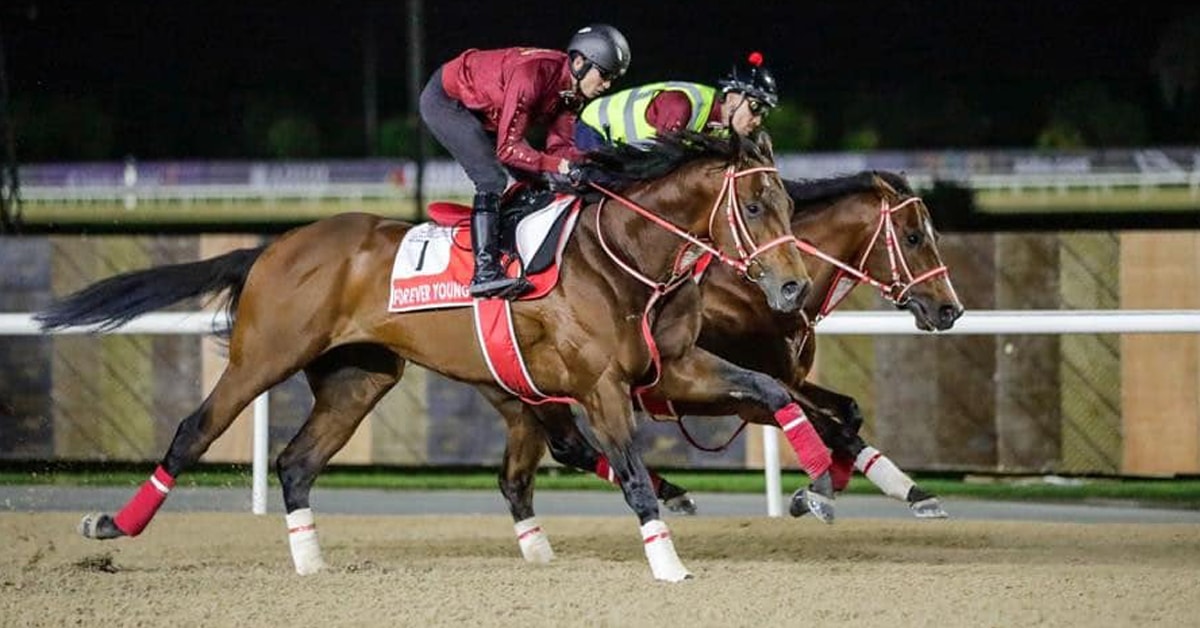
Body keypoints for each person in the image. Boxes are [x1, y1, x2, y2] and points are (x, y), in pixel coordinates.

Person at [419, 24, 631, 299]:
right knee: (491, 178)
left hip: (487, 109)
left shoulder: (572, 94)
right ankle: (484, 272)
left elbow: (560, 150)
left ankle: (514, 248)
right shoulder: (533, 75)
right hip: (449, 102)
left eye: (612, 79)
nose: (606, 85)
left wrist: (596, 166)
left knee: (536, 178)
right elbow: (508, 149)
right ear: (579, 62)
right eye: (603, 75)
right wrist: (563, 167)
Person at [574, 51, 777, 152]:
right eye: (755, 107)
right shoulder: (682, 105)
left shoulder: (725, 129)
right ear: (733, 98)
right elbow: (659, 168)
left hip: (628, 148)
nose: (758, 120)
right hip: (596, 129)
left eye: (764, 113)